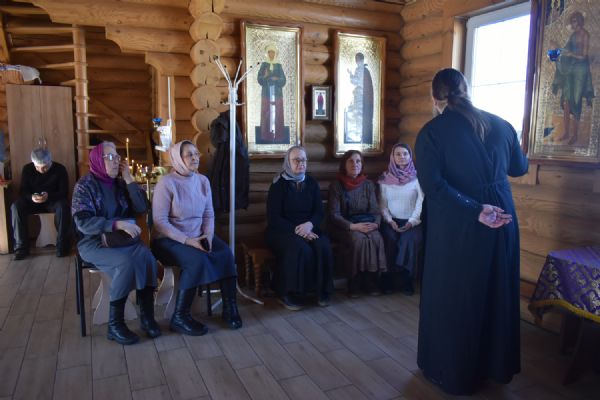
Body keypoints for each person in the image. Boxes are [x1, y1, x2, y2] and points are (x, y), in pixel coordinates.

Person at [415, 68, 528, 395]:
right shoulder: (502, 124)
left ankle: (454, 373)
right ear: (467, 89)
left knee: (457, 296)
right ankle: (494, 367)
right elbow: (519, 167)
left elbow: (434, 187)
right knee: (496, 290)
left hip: (459, 224)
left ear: (434, 97)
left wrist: (475, 210)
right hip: (503, 218)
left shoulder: (432, 132)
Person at [72, 142, 160, 345]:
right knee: (125, 263)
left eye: (117, 157)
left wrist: (129, 179)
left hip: (122, 240)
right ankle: (115, 325)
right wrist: (115, 224)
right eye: (110, 157)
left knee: (148, 258)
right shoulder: (85, 185)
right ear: (97, 160)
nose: (115, 161)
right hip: (93, 242)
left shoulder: (121, 184)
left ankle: (147, 318)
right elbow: (83, 223)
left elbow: (142, 208)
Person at [151, 140, 241, 335]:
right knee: (196, 260)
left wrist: (207, 236)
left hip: (199, 235)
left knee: (226, 254)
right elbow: (159, 222)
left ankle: (229, 308)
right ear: (178, 159)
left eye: (196, 153)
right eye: (189, 154)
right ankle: (179, 317)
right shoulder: (166, 183)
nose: (195, 158)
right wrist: (188, 241)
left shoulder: (202, 181)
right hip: (169, 239)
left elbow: (208, 214)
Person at [266, 146, 334, 310]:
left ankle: (320, 291)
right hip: (282, 231)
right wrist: (299, 230)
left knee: (323, 245)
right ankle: (288, 294)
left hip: (309, 228)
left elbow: (319, 212)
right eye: (296, 160)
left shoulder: (311, 183)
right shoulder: (278, 185)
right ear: (288, 162)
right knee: (300, 248)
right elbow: (274, 217)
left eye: (303, 160)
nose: (301, 163)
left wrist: (309, 225)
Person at [328, 150, 386, 297]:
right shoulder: (336, 185)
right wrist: (353, 226)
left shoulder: (368, 185)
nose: (355, 164)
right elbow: (334, 214)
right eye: (351, 161)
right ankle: (354, 281)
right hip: (344, 226)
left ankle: (370, 280)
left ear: (362, 164)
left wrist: (376, 224)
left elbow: (375, 210)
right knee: (358, 239)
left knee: (376, 237)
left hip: (366, 223)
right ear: (344, 164)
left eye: (358, 161)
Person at [378, 143, 424, 295]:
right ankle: (388, 278)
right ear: (393, 157)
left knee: (408, 240)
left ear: (410, 156)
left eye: (405, 153)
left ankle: (406, 279)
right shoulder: (385, 178)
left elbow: (420, 203)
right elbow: (382, 204)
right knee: (389, 239)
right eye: (398, 154)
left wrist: (412, 222)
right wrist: (390, 221)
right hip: (391, 221)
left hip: (413, 222)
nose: (402, 157)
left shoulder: (417, 179)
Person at [11, 147, 70, 260]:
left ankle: (63, 246)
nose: (41, 170)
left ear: (50, 161)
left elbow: (64, 192)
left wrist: (49, 196)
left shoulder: (60, 169)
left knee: (63, 206)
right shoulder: (27, 169)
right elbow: (23, 191)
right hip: (33, 202)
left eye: (45, 167)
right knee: (16, 206)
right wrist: (31, 197)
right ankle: (21, 248)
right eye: (38, 167)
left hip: (53, 201)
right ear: (33, 164)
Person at [551, 11, 594, 145]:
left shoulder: (585, 35)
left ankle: (575, 135)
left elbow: (584, 56)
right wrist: (556, 49)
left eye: (575, 21)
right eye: (572, 21)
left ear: (580, 21)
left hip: (581, 70)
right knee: (566, 102)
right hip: (571, 69)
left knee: (576, 101)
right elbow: (565, 51)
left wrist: (571, 54)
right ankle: (566, 132)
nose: (573, 24)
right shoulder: (573, 36)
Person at [257, 44, 287, 144]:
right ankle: (266, 136)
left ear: (275, 54)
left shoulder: (279, 66)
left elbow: (283, 80)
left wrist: (276, 79)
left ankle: (278, 136)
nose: (271, 54)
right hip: (266, 94)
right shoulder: (264, 65)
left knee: (277, 113)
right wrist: (265, 76)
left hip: (277, 94)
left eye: (273, 52)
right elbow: (259, 79)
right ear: (267, 53)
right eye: (269, 52)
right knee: (266, 113)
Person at [345, 53, 374, 144]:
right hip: (359, 94)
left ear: (361, 59)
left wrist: (350, 74)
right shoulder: (362, 69)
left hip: (361, 95)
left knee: (358, 114)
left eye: (357, 59)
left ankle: (359, 134)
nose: (356, 61)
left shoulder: (361, 70)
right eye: (356, 59)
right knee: (355, 112)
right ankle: (357, 134)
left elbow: (357, 81)